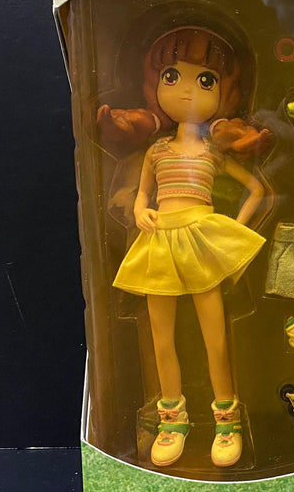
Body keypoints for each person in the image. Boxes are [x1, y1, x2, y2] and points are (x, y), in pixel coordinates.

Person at [98, 27, 270, 468]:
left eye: (205, 80)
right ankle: (171, 419)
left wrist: (230, 230)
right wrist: (141, 211)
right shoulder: (157, 151)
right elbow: (142, 195)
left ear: (223, 92)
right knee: (161, 340)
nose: (188, 90)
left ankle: (226, 419)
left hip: (199, 240)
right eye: (171, 77)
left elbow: (256, 190)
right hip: (160, 242)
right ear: (154, 86)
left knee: (216, 339)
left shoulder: (213, 152)